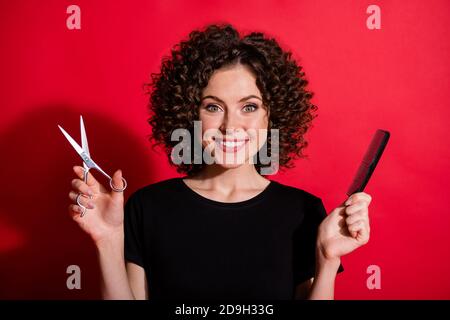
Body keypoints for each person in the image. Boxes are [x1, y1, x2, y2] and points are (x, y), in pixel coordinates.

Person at [67, 24, 371, 300]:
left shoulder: (303, 212)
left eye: (249, 107)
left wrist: (327, 260)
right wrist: (108, 241)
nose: (230, 126)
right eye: (213, 107)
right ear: (189, 114)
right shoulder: (147, 207)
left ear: (272, 115)